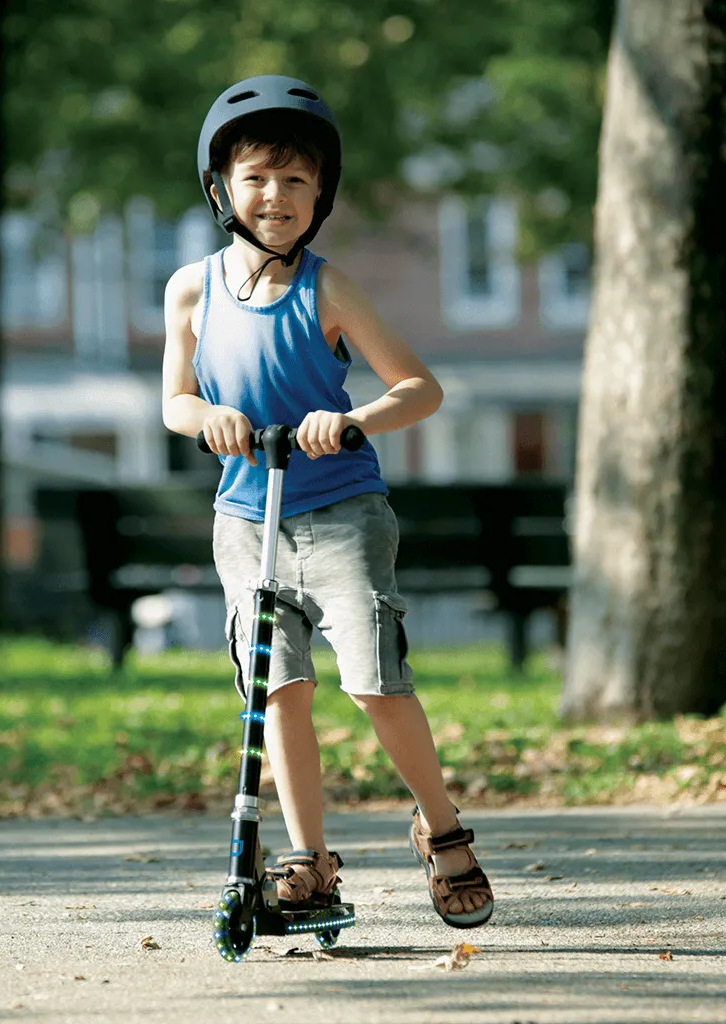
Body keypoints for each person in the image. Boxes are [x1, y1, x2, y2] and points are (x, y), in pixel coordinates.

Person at [161, 74, 493, 928]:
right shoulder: (190, 291)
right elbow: (174, 402)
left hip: (341, 513)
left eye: (297, 181)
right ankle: (308, 860)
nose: (276, 196)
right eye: (257, 178)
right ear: (220, 188)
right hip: (247, 518)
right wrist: (210, 418)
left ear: (322, 196)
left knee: (375, 683)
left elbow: (419, 389)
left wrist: (348, 421)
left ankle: (442, 826)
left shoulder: (330, 289)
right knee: (279, 689)